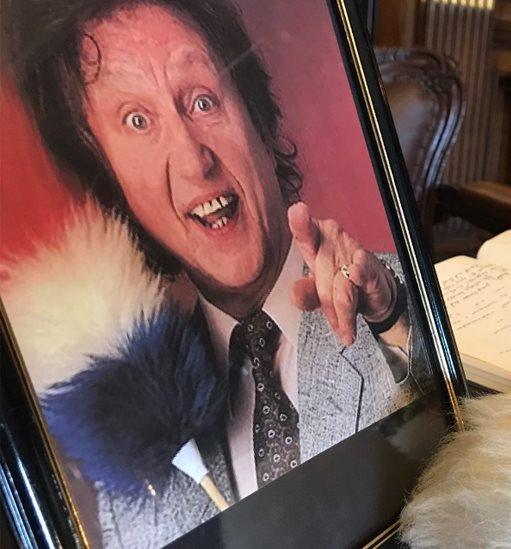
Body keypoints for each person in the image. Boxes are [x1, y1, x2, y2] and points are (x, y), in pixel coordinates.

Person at [9, 0, 432, 545]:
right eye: (137, 121)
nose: (192, 159)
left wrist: (396, 322)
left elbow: (450, 434)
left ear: (257, 114)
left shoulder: (395, 304)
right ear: (110, 180)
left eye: (202, 100)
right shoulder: (126, 452)